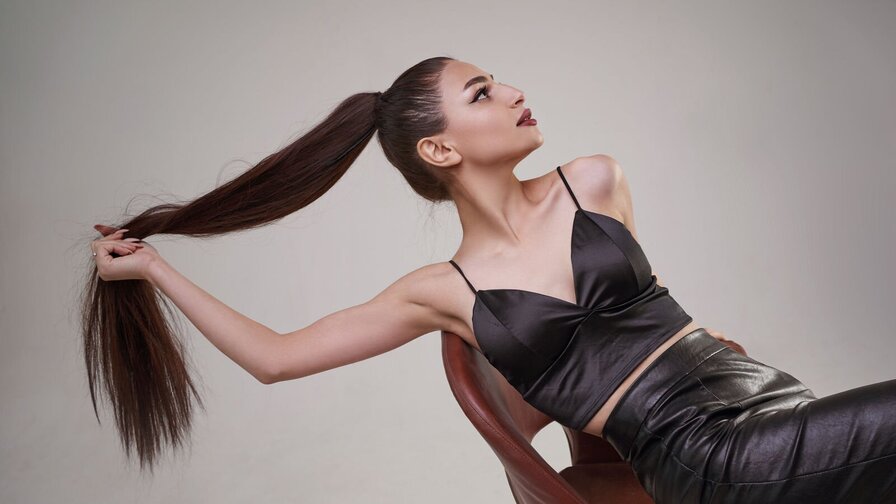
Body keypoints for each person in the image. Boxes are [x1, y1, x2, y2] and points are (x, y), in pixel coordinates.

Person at [83, 57, 896, 502]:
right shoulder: (442, 292)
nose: (512, 91)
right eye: (483, 92)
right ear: (440, 149)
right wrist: (154, 268)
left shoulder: (596, 178)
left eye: (499, 81)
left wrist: (701, 345)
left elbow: (645, 309)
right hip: (702, 456)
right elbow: (275, 357)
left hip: (767, 398)